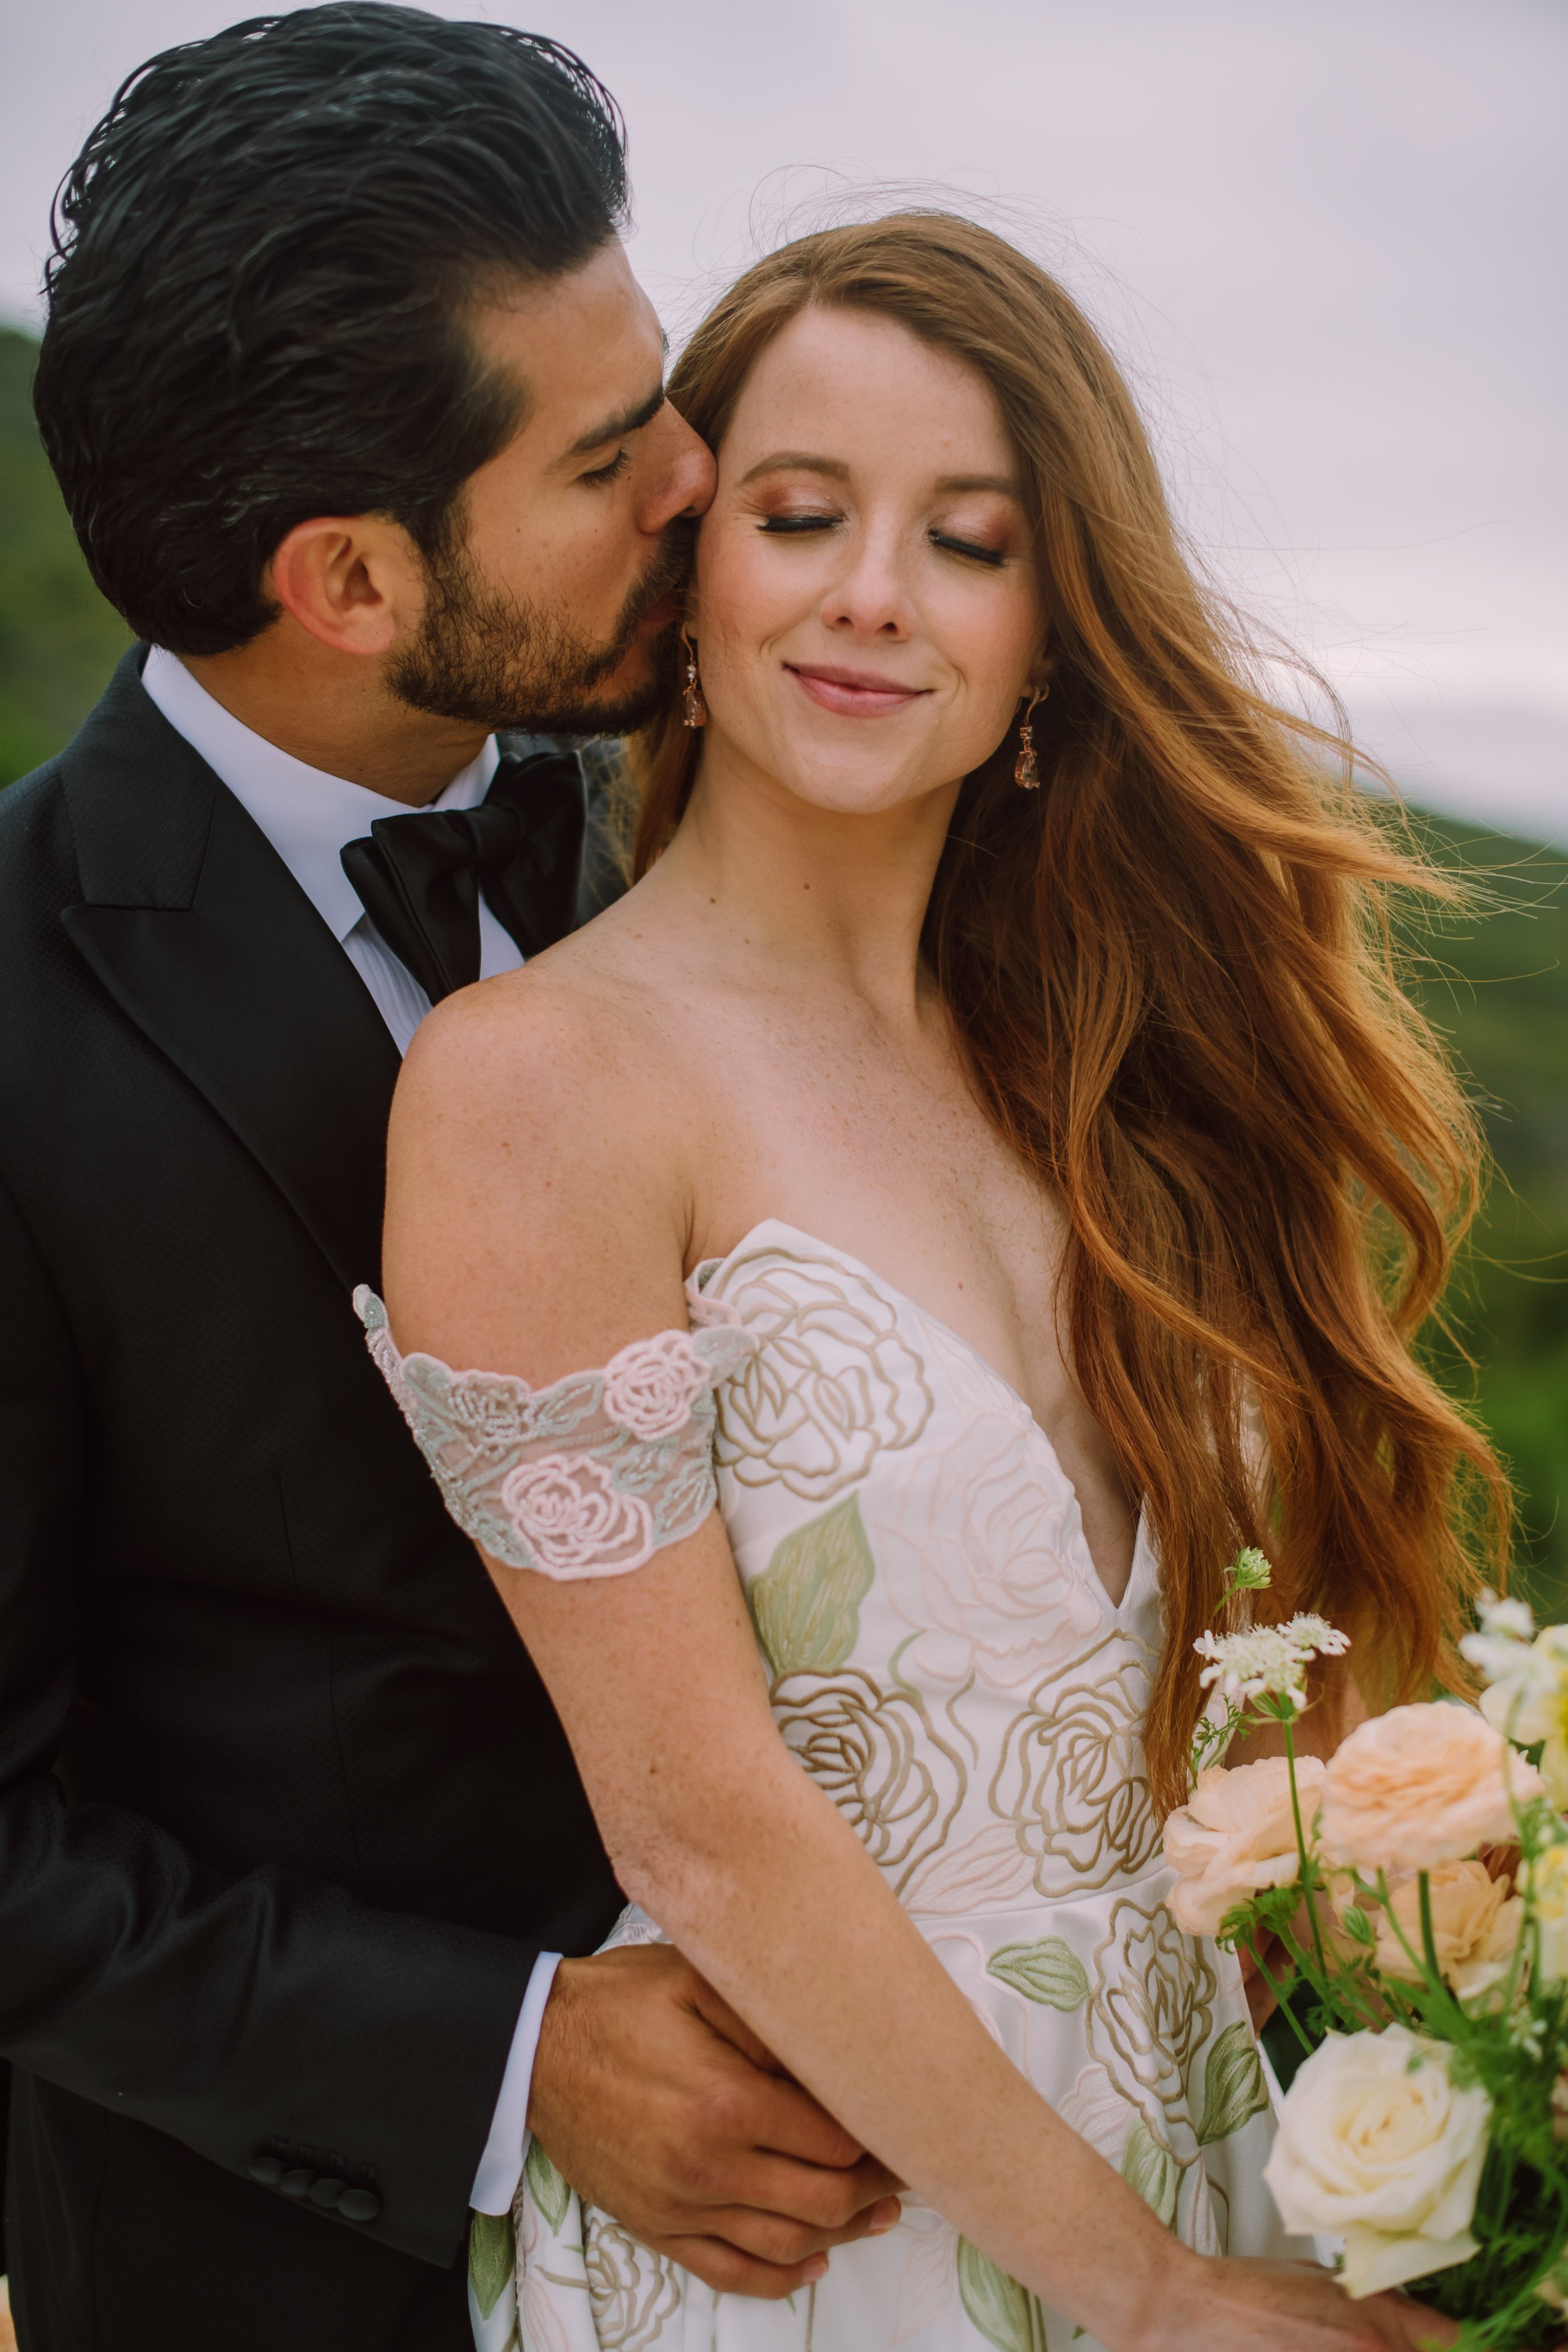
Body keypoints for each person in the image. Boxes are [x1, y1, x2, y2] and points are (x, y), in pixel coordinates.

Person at [373, 213, 1502, 2350]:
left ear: (1051, 636)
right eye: (800, 516)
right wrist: (1140, 2296)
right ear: (692, 569)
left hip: (1214, 2155)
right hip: (832, 2227)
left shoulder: (1102, 1082)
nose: (873, 595)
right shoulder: (537, 1084)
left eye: (967, 541)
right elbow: (699, 1822)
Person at [0, 12, 904, 2349]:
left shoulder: (725, 799)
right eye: (612, 456)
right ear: (353, 584)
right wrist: (506, 2062)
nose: (708, 476)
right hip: (305, 2273)